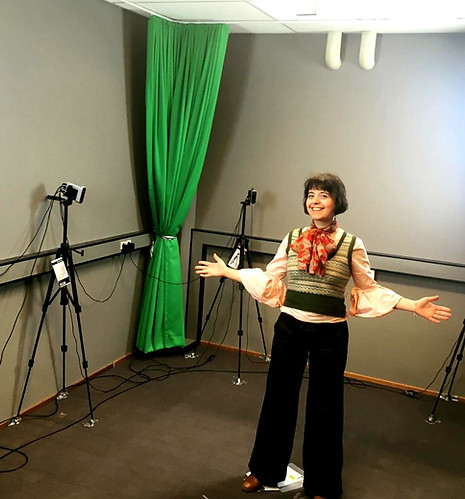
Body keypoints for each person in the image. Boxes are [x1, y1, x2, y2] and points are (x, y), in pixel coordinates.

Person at [195, 173, 451, 499]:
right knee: (278, 400)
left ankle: (323, 485)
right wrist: (228, 271)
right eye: (311, 195)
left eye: (323, 195)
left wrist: (413, 305)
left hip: (330, 334)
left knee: (325, 408)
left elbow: (369, 289)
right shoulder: (292, 238)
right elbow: (270, 278)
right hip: (289, 329)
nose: (315, 201)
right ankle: (264, 470)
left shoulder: (352, 244)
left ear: (336, 202)